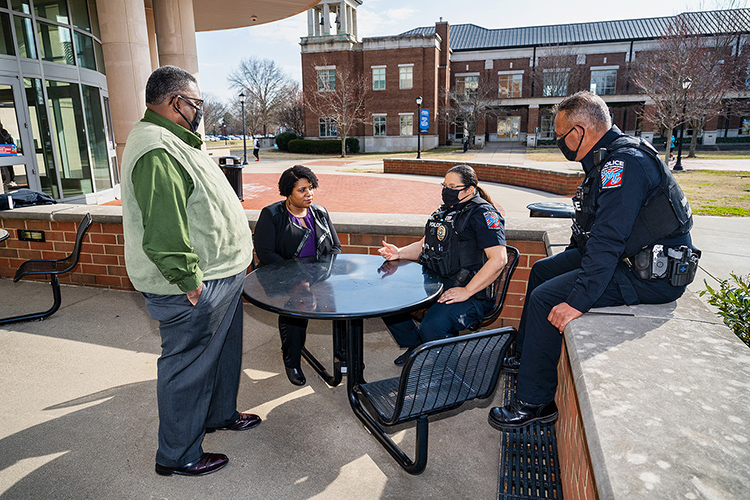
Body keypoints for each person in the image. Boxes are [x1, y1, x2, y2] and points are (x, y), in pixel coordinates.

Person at [488, 91, 698, 430]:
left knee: (547, 300)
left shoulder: (624, 164)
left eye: (560, 136)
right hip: (628, 259)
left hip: (649, 275)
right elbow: (590, 227)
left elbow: (608, 239)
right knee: (542, 271)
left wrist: (578, 301)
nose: (559, 142)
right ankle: (525, 355)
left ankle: (535, 403)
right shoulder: (608, 158)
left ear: (579, 131)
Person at [120, 65, 260, 477]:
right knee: (187, 367)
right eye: (196, 103)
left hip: (225, 273)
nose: (200, 110)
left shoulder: (180, 139)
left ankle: (218, 414)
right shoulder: (157, 148)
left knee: (222, 355)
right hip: (197, 283)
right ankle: (178, 454)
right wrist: (189, 282)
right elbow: (163, 227)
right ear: (176, 102)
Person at [379, 165, 507, 366]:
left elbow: (499, 259)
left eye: (453, 186)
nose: (446, 190)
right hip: (438, 284)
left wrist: (466, 290)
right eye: (444, 185)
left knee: (432, 327)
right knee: (389, 301)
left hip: (472, 293)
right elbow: (424, 245)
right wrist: (400, 252)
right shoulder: (446, 211)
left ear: (469, 190)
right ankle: (418, 348)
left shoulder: (482, 214)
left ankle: (448, 378)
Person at [254, 165, 341, 385]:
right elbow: (265, 252)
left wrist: (322, 274)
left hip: (319, 277)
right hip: (286, 276)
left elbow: (335, 247)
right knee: (294, 318)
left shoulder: (320, 213)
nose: (309, 193)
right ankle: (292, 361)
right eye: (302, 190)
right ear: (288, 193)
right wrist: (295, 277)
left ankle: (346, 360)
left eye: (311, 188)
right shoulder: (272, 215)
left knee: (342, 314)